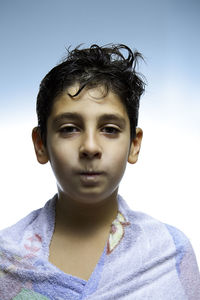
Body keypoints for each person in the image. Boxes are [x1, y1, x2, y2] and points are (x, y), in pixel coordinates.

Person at [0, 44, 199, 300]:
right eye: (70, 128)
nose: (91, 147)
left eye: (110, 129)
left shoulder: (171, 252)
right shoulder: (7, 258)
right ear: (41, 144)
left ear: (134, 144)